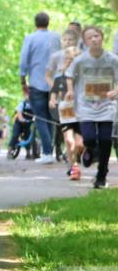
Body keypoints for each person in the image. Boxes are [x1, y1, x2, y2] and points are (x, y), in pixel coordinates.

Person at [65, 26, 118, 189]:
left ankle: (101, 175)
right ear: (85, 42)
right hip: (86, 105)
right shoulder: (80, 60)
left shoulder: (112, 59)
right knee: (88, 138)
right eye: (90, 38)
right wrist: (70, 91)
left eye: (96, 36)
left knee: (106, 140)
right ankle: (90, 150)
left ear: (102, 37)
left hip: (107, 105)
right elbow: (69, 75)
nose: (94, 39)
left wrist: (115, 91)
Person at [19, 12, 62, 164]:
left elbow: (23, 61)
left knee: (40, 118)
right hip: (54, 83)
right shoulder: (56, 37)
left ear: (35, 23)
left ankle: (47, 152)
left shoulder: (30, 38)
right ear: (48, 22)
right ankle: (49, 150)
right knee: (50, 118)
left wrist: (23, 81)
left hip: (36, 83)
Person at [50, 46, 84, 180]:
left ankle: (80, 157)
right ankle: (73, 167)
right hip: (66, 112)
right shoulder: (59, 78)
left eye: (73, 59)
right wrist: (52, 100)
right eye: (67, 59)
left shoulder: (83, 77)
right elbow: (53, 93)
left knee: (80, 144)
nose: (69, 61)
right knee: (69, 141)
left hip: (81, 112)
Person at [45, 30, 80, 161]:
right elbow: (48, 76)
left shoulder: (82, 57)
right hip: (64, 102)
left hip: (81, 105)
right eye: (65, 40)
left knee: (79, 137)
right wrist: (54, 94)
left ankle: (79, 153)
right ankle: (72, 163)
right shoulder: (55, 57)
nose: (67, 42)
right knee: (68, 135)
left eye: (70, 40)